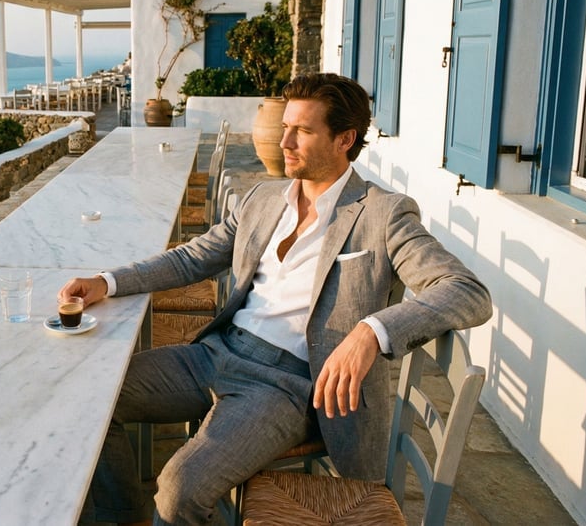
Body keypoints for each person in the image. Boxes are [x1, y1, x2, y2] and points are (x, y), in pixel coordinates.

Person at [59, 73, 492, 525]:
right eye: (285, 127)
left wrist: (371, 331)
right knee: (88, 396)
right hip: (216, 353)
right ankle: (125, 516)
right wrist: (107, 282)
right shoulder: (264, 197)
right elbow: (193, 258)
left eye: (302, 131)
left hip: (287, 384)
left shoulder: (383, 213)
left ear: (345, 138)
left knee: (179, 488)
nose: (284, 141)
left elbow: (466, 291)